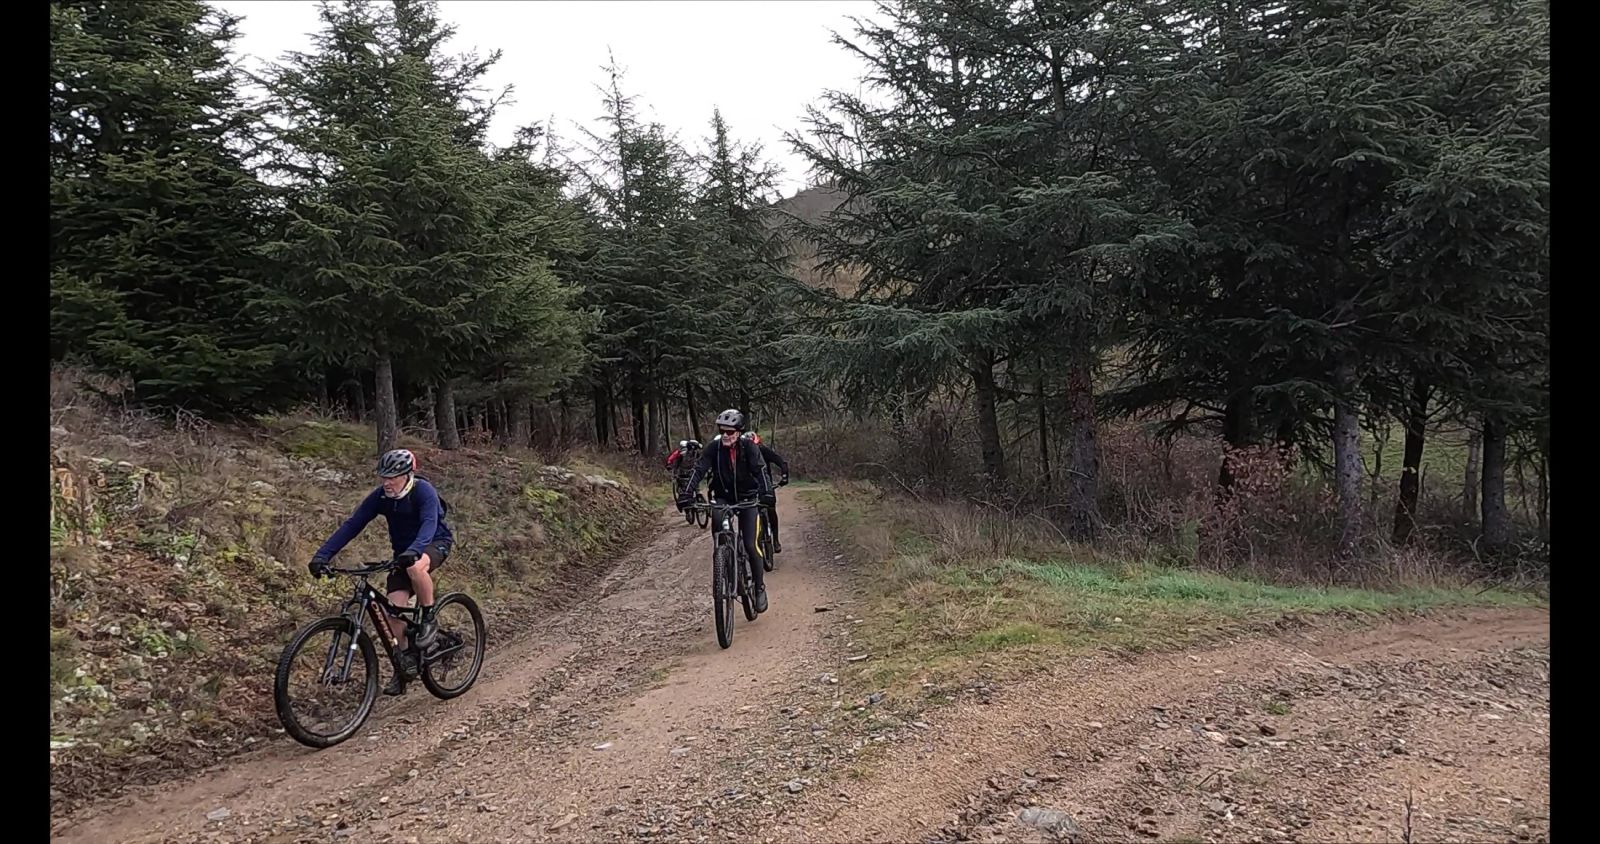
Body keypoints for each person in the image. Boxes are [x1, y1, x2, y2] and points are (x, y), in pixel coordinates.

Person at [308, 448, 453, 696]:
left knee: (416, 567)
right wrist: (322, 555)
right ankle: (405, 665)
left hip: (433, 543)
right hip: (403, 553)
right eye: (384, 477)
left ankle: (429, 617)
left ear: (407, 475)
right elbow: (352, 525)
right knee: (392, 613)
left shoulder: (423, 491)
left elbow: (429, 524)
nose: (387, 482)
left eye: (392, 477)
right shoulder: (381, 497)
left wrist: (415, 550)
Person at [677, 409, 774, 612]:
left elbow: (761, 471)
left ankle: (759, 587)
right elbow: (699, 470)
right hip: (722, 497)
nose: (726, 436)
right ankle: (723, 565)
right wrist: (686, 494)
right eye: (722, 431)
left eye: (730, 432)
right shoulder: (714, 448)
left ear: (738, 432)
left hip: (748, 498)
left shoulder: (749, 448)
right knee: (719, 535)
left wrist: (767, 494)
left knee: (751, 545)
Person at [741, 430, 789, 555]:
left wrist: (784, 476)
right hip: (749, 488)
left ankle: (776, 540)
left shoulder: (763, 450)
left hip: (766, 486)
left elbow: (780, 461)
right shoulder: (740, 453)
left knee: (771, 509)